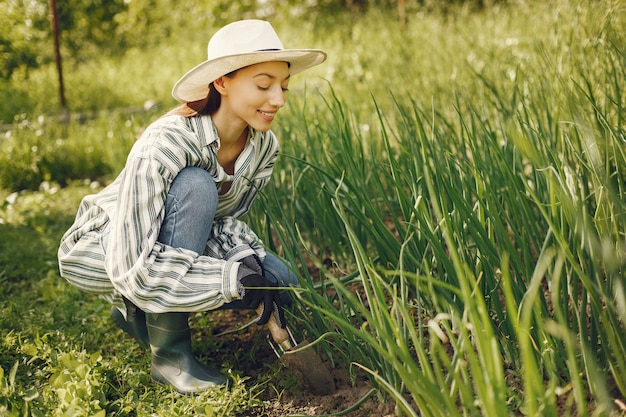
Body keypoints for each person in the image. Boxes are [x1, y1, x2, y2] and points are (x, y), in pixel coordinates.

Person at [57, 19, 326, 394]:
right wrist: (230, 279)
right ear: (222, 82)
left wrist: (244, 259)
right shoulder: (166, 142)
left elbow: (226, 219)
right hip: (114, 246)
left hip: (170, 242)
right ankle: (170, 356)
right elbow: (132, 263)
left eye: (283, 86)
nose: (278, 99)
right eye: (264, 85)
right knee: (196, 186)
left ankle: (137, 314)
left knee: (280, 281)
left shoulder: (264, 147)